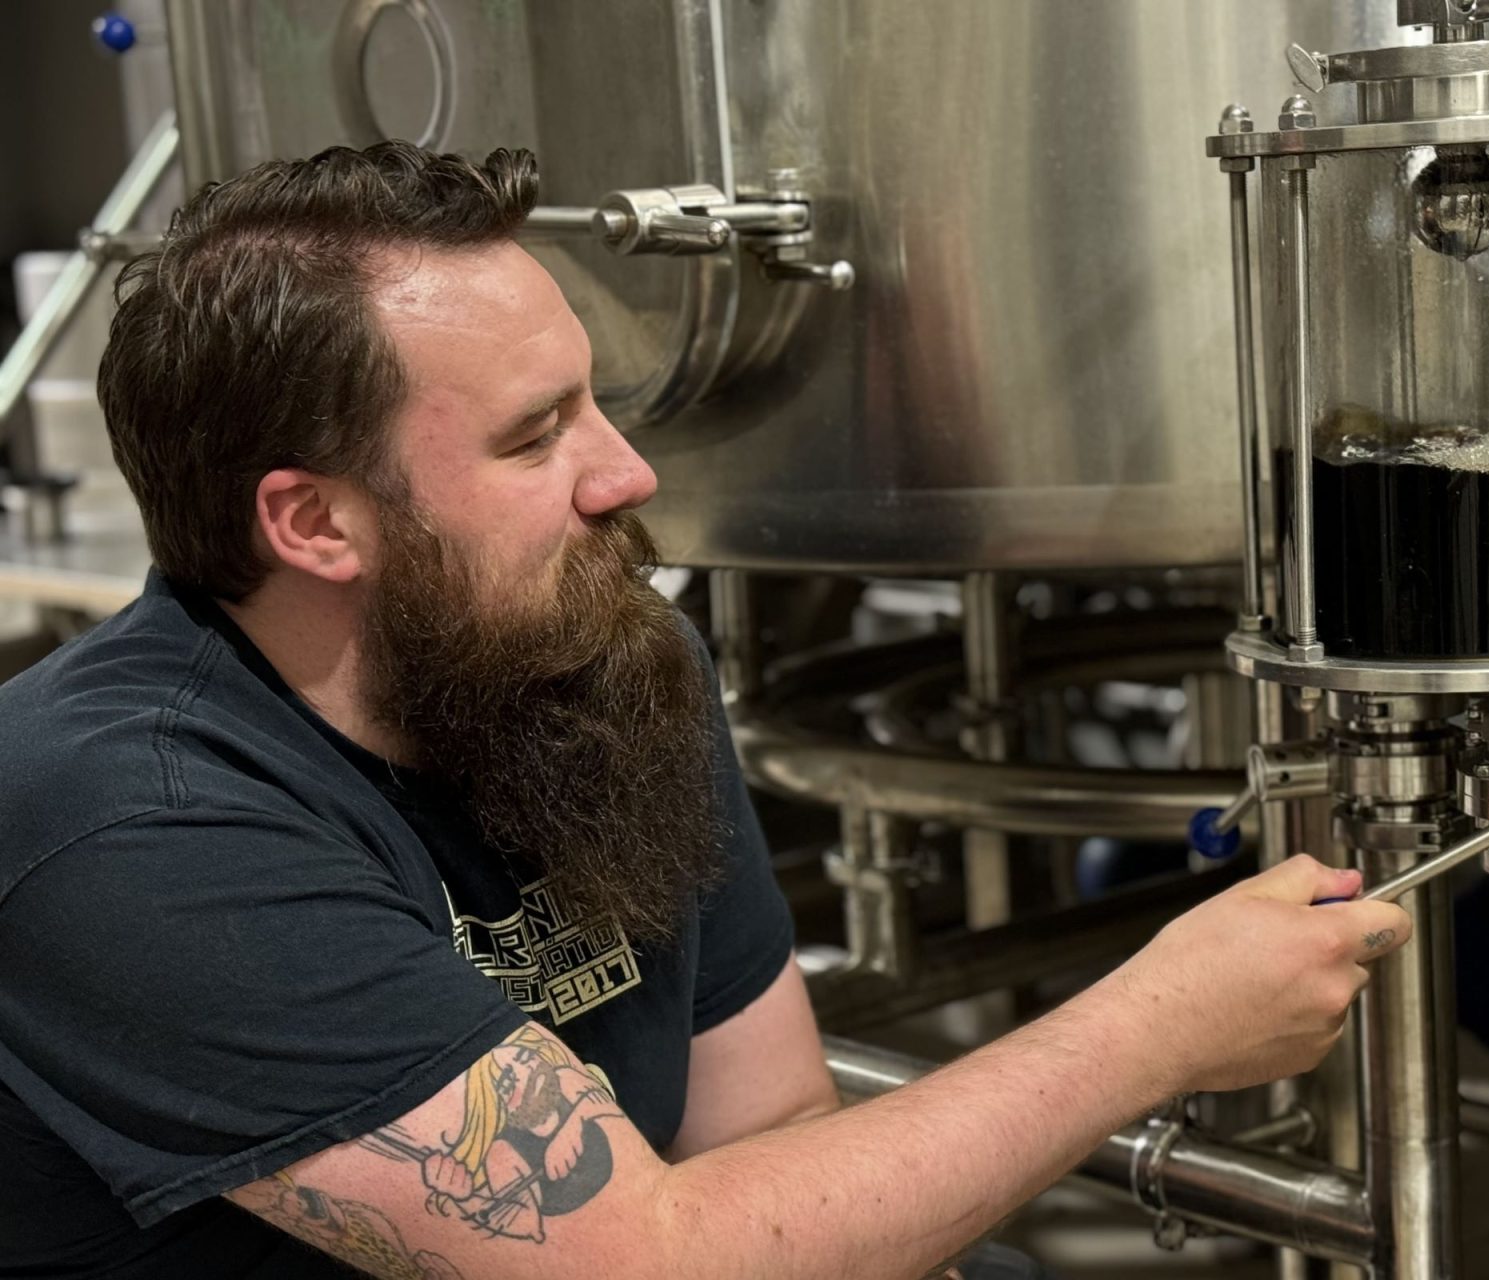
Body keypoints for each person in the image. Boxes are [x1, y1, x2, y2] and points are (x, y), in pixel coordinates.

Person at [0, 142, 1411, 1280]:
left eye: (594, 405)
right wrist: (1155, 1028)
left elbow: (770, 1126)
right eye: (534, 437)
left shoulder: (599, 662)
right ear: (315, 523)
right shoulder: (124, 823)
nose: (625, 474)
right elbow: (644, 1260)